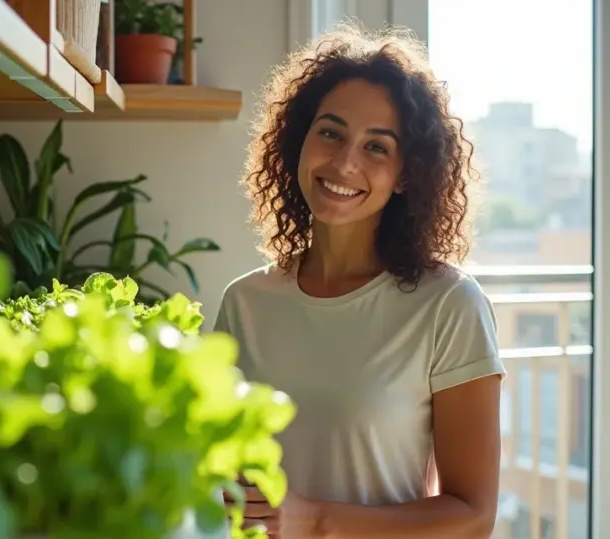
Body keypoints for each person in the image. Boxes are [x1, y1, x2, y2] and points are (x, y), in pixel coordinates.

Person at [214, 23, 504, 538]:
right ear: (299, 141)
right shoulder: (244, 303)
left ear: (406, 174)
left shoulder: (449, 304)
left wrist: (313, 520)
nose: (345, 163)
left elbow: (473, 516)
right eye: (331, 133)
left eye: (377, 147)